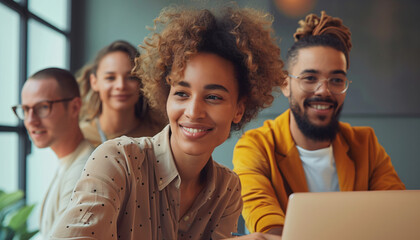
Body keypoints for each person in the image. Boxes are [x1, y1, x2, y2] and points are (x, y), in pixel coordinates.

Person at [50, 5, 285, 240]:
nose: (193, 112)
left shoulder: (227, 188)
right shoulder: (117, 161)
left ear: (239, 110)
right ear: (166, 96)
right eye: (182, 94)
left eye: (213, 97)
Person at [232, 11, 405, 235]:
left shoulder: (366, 144)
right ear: (286, 85)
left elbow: (399, 214)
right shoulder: (256, 147)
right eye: (310, 78)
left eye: (336, 80)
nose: (324, 90)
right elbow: (265, 223)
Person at [11, 68, 94, 239]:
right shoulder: (69, 161)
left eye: (42, 107)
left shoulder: (83, 172)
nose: (31, 120)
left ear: (74, 107)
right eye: (26, 109)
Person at [78, 40, 166, 147]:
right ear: (94, 82)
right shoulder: (79, 136)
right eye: (110, 78)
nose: (121, 85)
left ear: (141, 81)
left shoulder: (160, 136)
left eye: (131, 77)